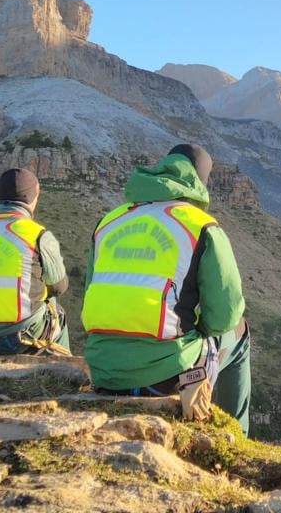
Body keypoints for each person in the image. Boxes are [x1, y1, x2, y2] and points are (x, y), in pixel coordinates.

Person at [81, 143, 251, 435]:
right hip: (164, 377)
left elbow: (89, 294)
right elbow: (224, 316)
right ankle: (234, 434)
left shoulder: (109, 222)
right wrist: (197, 330)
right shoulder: (202, 226)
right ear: (200, 181)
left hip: (103, 370)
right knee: (240, 331)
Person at [0, 167, 71, 354]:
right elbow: (59, 286)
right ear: (35, 195)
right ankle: (63, 374)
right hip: (22, 335)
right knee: (55, 308)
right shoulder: (37, 234)